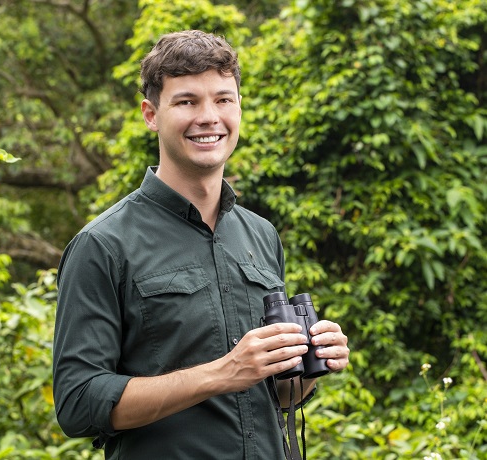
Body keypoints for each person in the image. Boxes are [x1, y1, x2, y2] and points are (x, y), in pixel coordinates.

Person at [52, 30, 350, 460]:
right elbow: (78, 403)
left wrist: (310, 367)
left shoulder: (260, 235)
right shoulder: (102, 245)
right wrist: (224, 372)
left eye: (224, 99)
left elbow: (275, 398)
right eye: (187, 101)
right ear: (151, 114)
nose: (209, 117)